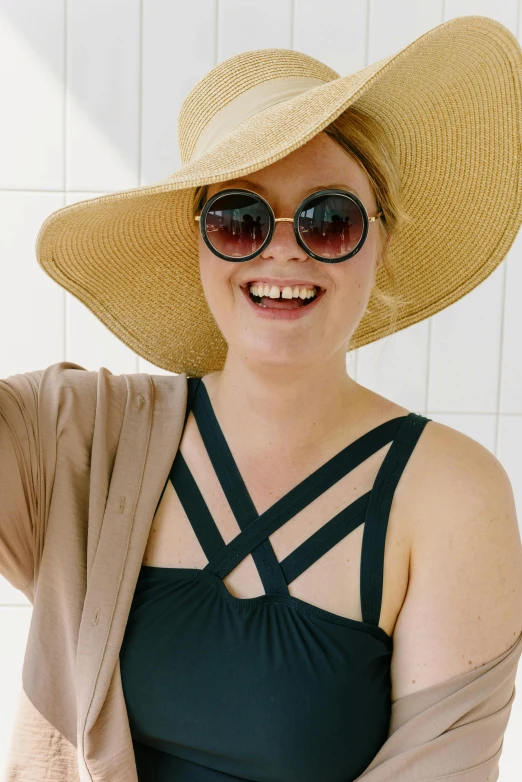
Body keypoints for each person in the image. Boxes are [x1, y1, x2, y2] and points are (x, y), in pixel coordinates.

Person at [2, 15, 522, 782]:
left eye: (330, 219)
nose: (285, 249)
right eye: (240, 219)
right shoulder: (80, 437)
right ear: (199, 242)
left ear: (381, 240)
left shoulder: (449, 493)